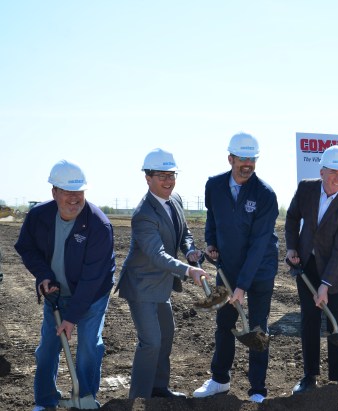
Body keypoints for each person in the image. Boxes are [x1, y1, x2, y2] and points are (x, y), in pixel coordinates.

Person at [14, 160, 115, 411]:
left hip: (92, 295)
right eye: (67, 192)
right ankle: (45, 400)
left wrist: (71, 318)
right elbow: (26, 247)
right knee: (48, 348)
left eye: (79, 192)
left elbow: (93, 278)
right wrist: (43, 275)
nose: (74, 199)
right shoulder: (39, 216)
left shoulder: (98, 225)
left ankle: (85, 398)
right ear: (54, 192)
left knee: (89, 347)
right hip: (56, 293)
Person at [192, 133, 279, 404]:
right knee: (224, 323)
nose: (247, 164)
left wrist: (241, 286)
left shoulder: (265, 195)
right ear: (230, 158)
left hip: (260, 269)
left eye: (252, 159)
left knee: (257, 328)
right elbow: (213, 218)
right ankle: (220, 379)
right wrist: (212, 242)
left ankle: (257, 390)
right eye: (242, 158)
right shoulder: (214, 185)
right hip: (227, 266)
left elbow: (258, 244)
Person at [116, 148, 206, 399]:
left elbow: (184, 231)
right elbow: (157, 255)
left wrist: (190, 251)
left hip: (162, 284)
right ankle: (140, 396)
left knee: (166, 335)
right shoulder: (143, 214)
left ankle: (158, 388)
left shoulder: (174, 199)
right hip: (142, 285)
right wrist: (189, 270)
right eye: (162, 176)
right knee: (151, 341)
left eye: (172, 175)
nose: (168, 181)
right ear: (148, 178)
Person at [285, 145, 338, 394]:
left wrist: (325, 285)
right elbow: (292, 217)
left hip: (337, 273)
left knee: (337, 323)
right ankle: (309, 376)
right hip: (307, 265)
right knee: (309, 319)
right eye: (333, 173)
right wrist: (291, 247)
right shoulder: (306, 188)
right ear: (321, 171)